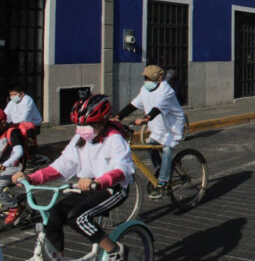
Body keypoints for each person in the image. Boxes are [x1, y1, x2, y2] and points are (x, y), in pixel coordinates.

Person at [12, 95, 133, 261]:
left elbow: (122, 170)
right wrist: (30, 178)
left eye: (89, 125)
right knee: (53, 214)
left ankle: (114, 251)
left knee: (78, 218)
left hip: (112, 189)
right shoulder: (80, 139)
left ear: (102, 122)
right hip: (86, 188)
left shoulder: (115, 139)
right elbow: (62, 165)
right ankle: (58, 258)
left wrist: (98, 181)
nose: (83, 129)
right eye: (80, 125)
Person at [112, 65, 185, 199]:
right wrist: (118, 117)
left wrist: (146, 118)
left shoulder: (166, 90)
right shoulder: (145, 90)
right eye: (145, 78)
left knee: (167, 149)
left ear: (159, 79)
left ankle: (163, 182)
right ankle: (160, 168)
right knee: (151, 146)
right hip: (158, 126)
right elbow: (133, 105)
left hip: (171, 126)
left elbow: (158, 108)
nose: (147, 81)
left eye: (150, 78)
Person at [0, 110, 29, 224]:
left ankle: (14, 206)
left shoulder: (12, 132)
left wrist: (4, 165)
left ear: (2, 123)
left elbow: (19, 152)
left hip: (14, 167)